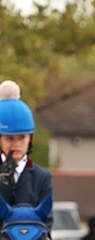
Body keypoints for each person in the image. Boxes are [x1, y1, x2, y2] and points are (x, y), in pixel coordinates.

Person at [0, 80, 53, 226]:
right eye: (9, 138)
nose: (16, 144)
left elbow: (47, 221)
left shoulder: (42, 177)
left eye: (22, 138)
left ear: (30, 138)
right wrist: (4, 183)